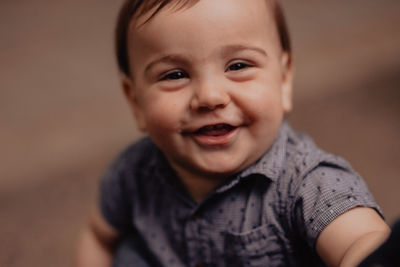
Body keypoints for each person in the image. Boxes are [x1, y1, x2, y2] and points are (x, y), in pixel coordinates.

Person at [76, 0, 391, 266]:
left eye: (238, 66)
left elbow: (361, 238)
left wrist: (369, 253)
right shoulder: (133, 171)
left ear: (283, 80)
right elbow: (99, 235)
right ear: (136, 102)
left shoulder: (308, 182)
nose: (210, 96)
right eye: (175, 75)